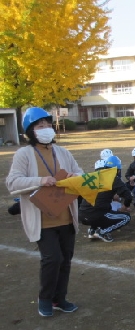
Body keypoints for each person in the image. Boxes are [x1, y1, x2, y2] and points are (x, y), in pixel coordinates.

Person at [6, 107, 83, 317]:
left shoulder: (62, 152)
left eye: (48, 125)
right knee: (52, 259)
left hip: (65, 216)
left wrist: (73, 177)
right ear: (30, 131)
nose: (46, 129)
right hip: (42, 219)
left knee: (65, 260)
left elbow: (79, 173)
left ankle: (60, 298)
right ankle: (45, 298)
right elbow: (12, 183)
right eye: (40, 126)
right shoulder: (24, 154)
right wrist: (41, 180)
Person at [78, 156, 132, 243]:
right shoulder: (113, 179)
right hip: (96, 214)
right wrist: (125, 206)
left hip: (81, 214)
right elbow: (128, 196)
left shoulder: (95, 176)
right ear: (117, 170)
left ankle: (92, 231)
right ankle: (102, 232)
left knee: (102, 210)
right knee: (126, 217)